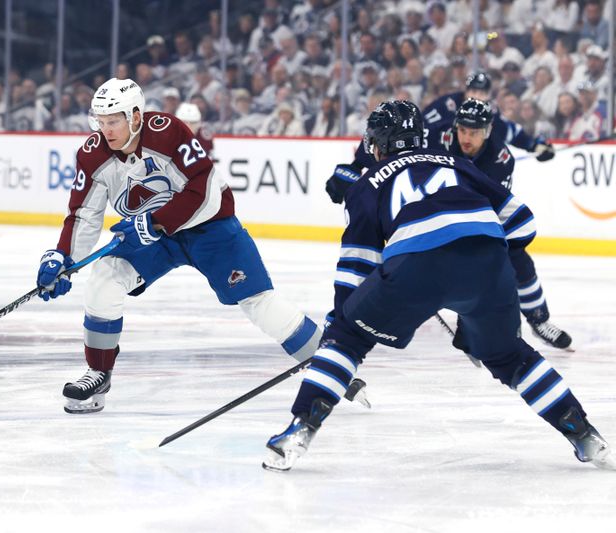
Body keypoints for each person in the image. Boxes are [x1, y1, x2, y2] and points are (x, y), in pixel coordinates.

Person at [262, 100, 614, 472]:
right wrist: (475, 274)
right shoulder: (459, 164)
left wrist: (342, 323)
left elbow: (357, 265)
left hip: (416, 266)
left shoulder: (366, 185)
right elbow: (523, 223)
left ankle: (299, 429)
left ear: (377, 144)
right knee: (511, 356)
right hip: (489, 264)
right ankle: (584, 434)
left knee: (347, 339)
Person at [35, 78, 322, 414]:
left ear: (136, 117)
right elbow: (83, 215)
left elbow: (204, 189)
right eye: (100, 121)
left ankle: (328, 361)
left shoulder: (168, 131)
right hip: (154, 238)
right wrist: (63, 257)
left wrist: (154, 221)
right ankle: (99, 371)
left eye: (113, 120)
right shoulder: (92, 154)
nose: (106, 129)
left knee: (257, 300)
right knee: (106, 275)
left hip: (209, 228)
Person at [427, 99, 572, 349]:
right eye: (462, 130)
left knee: (517, 260)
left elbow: (486, 210)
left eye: (473, 132)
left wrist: (536, 144)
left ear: (488, 131)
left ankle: (539, 320)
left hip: (477, 218)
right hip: (435, 214)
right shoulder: (439, 135)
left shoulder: (500, 159)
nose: (466, 138)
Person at [421, 71, 555, 162]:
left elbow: (508, 131)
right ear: (466, 91)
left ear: (489, 95)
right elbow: (422, 127)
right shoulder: (448, 104)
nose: (477, 96)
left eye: (482, 93)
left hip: (463, 166)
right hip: (435, 161)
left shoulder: (488, 112)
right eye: (473, 91)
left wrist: (533, 145)